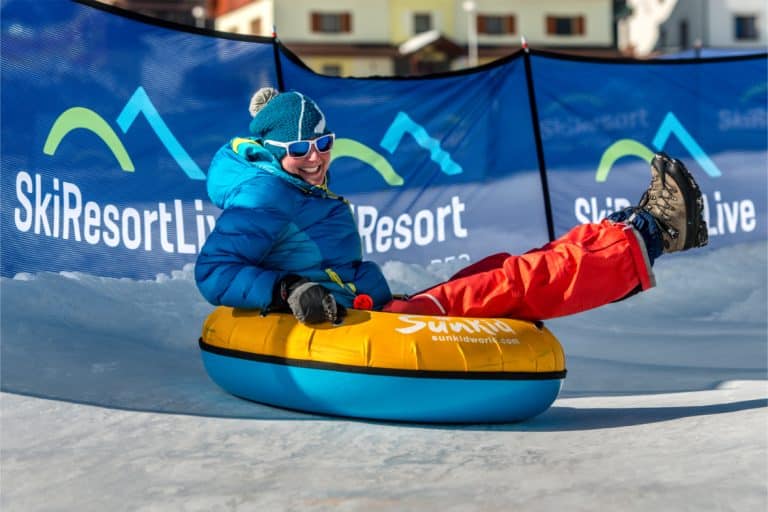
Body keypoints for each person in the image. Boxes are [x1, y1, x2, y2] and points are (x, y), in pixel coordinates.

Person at [195, 88, 708, 325]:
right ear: (272, 152)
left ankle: (621, 236)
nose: (315, 158)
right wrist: (288, 290)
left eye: (323, 142)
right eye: (299, 150)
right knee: (506, 285)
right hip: (346, 321)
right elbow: (214, 271)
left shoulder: (292, 187)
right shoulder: (265, 195)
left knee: (497, 268)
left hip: (370, 308)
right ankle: (652, 232)